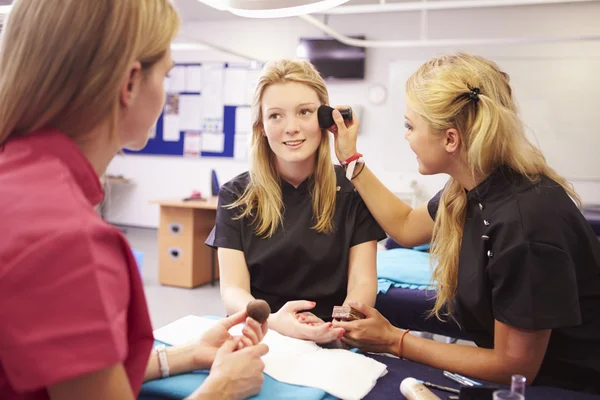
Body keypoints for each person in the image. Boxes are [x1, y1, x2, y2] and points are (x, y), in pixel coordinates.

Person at [0, 1, 268, 399]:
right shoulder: (69, 239)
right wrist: (223, 389)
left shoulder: (18, 183)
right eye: (166, 75)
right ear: (129, 84)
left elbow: (65, 373)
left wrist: (189, 354)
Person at [328, 52, 600, 393]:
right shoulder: (475, 186)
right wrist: (351, 159)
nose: (406, 137)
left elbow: (514, 366)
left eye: (410, 126)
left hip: (572, 385)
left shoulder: (525, 224)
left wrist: (394, 339)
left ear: (451, 139)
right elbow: (406, 226)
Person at [206, 59, 387, 344]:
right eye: (276, 116)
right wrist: (273, 321)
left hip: (336, 336)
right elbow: (233, 290)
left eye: (304, 112)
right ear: (262, 126)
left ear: (326, 119)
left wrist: (338, 326)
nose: (291, 127)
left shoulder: (353, 190)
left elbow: (362, 283)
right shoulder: (235, 195)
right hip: (264, 333)